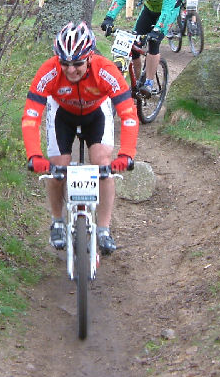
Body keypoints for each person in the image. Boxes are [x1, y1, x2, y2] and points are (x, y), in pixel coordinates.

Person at [23, 21, 139, 255]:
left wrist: (126, 154)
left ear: (89, 57)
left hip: (96, 113)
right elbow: (31, 116)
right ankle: (57, 221)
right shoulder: (49, 70)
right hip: (62, 114)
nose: (71, 70)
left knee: (103, 164)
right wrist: (34, 155)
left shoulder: (105, 70)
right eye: (65, 63)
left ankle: (104, 228)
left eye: (77, 64)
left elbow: (128, 114)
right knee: (58, 168)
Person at [100, 0, 183, 98]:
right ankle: (138, 83)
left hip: (169, 11)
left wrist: (157, 30)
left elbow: (166, 10)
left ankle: (150, 82)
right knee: (134, 45)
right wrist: (109, 17)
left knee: (153, 42)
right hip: (150, 9)